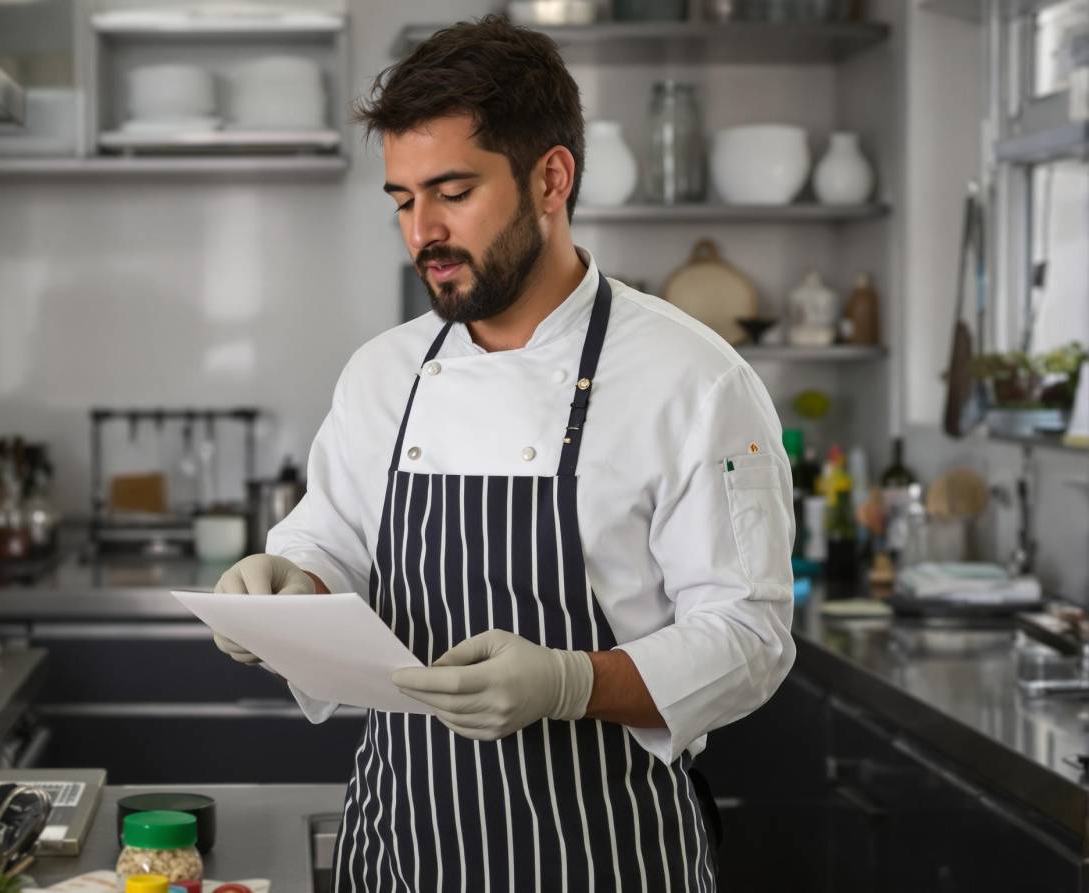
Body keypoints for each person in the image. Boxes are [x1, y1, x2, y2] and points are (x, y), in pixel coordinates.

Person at [212, 15, 795, 891]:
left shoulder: (694, 379)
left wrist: (571, 682)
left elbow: (752, 635)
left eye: (451, 191)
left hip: (608, 860)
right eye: (404, 201)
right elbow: (326, 540)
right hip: (400, 851)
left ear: (550, 178)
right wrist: (287, 584)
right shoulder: (384, 372)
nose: (422, 233)